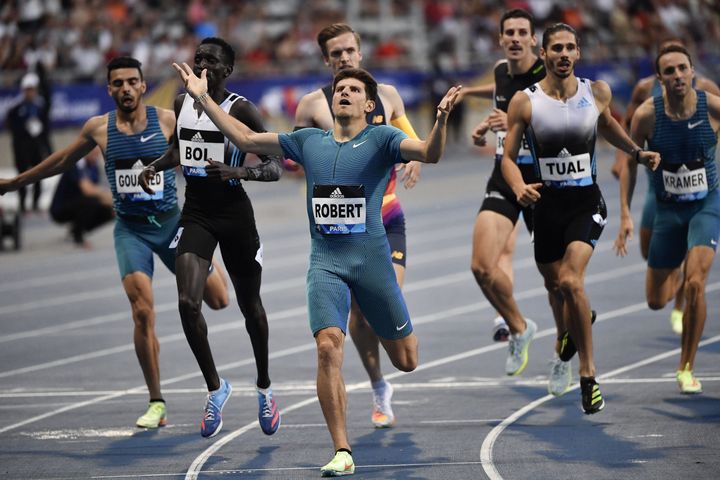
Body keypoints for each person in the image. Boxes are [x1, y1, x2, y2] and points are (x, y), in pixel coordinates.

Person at [172, 62, 459, 476]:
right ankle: (342, 450)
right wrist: (201, 96)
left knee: (407, 360)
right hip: (326, 263)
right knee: (327, 346)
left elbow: (430, 153)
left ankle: (386, 355)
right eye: (338, 88)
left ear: (368, 103)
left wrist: (441, 119)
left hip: (372, 263)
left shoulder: (383, 139)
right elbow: (245, 137)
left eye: (353, 90)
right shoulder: (308, 141)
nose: (343, 93)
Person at [0, 56, 230, 429]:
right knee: (142, 311)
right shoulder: (98, 129)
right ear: (109, 89)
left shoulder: (167, 120)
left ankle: (207, 265)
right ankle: (156, 401)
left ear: (142, 86)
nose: (125, 88)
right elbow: (60, 162)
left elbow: (207, 146)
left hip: (172, 224)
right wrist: (13, 184)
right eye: (117, 83)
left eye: (131, 82)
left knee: (219, 301)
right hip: (131, 230)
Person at [500, 23, 660, 414]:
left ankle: (588, 375)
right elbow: (506, 158)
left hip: (586, 202)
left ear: (579, 53)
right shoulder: (526, 101)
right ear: (545, 55)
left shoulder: (596, 92)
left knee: (571, 280)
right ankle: (580, 316)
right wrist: (519, 186)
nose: (564, 54)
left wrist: (637, 153)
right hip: (547, 206)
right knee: (556, 285)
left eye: (571, 47)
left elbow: (608, 128)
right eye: (557, 48)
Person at [140, 37, 282, 439]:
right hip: (197, 212)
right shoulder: (182, 103)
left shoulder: (241, 109)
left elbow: (277, 164)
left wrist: (241, 173)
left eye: (210, 60)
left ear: (226, 71)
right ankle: (216, 388)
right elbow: (178, 149)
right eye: (197, 57)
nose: (200, 63)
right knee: (187, 302)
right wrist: (155, 165)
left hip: (235, 214)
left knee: (249, 305)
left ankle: (265, 387)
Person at [293, 22, 422, 429]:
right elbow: (298, 159)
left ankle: (394, 357)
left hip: (385, 218)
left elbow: (408, 136)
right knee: (354, 322)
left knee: (373, 310)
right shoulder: (313, 106)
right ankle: (379, 385)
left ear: (361, 53)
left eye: (350, 51)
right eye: (336, 54)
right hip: (337, 232)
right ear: (327, 60)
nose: (344, 58)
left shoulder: (386, 95)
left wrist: (414, 156)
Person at [614, 44, 719, 394]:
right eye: (669, 71)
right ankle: (678, 272)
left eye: (682, 69)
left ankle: (686, 368)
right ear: (659, 78)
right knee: (656, 300)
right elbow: (629, 161)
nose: (677, 76)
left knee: (696, 284)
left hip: (706, 205)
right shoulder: (646, 114)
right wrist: (626, 213)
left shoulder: (711, 105)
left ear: (693, 72)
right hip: (667, 209)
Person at [457, 8, 547, 383]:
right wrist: (484, 126)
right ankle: (517, 326)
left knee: (557, 279)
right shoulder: (499, 71)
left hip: (545, 180)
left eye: (521, 32)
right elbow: (500, 105)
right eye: (507, 32)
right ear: (500, 39)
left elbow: (560, 124)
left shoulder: (547, 75)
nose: (514, 37)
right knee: (481, 266)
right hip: (504, 176)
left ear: (532, 40)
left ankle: (571, 351)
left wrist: (508, 121)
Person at [6, 67, 52, 214]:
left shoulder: (40, 106)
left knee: (38, 174)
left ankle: (35, 203)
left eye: (32, 89)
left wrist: (46, 147)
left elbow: (44, 129)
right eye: (27, 89)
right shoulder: (15, 108)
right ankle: (22, 204)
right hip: (21, 147)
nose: (30, 92)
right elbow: (11, 127)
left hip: (36, 147)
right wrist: (25, 127)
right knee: (22, 176)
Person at [49, 146, 114, 247]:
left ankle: (76, 229)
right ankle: (77, 236)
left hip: (80, 205)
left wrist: (113, 202)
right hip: (61, 208)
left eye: (98, 153)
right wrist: (109, 196)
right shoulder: (77, 163)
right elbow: (88, 190)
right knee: (92, 201)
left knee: (111, 211)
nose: (96, 156)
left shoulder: (94, 166)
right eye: (93, 153)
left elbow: (96, 190)